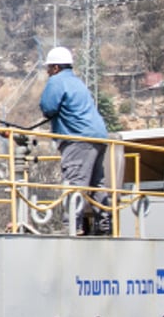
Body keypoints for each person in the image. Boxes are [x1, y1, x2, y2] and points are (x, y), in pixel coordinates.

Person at [39, 47, 111, 235]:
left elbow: (48, 107)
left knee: (74, 180)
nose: (47, 72)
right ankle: (105, 224)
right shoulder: (77, 82)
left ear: (55, 68)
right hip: (98, 137)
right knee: (96, 183)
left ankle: (72, 226)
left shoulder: (57, 81)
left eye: (48, 68)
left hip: (77, 138)